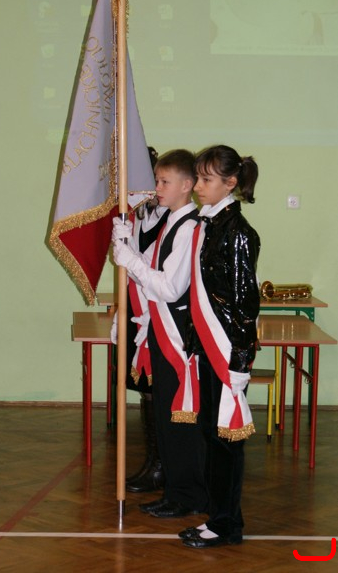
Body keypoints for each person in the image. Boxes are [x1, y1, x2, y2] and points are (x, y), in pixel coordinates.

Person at [113, 149, 208, 518]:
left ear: (186, 185)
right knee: (167, 419)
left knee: (181, 421)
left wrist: (131, 261)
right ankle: (174, 490)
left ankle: (188, 496)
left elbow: (169, 288)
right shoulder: (171, 223)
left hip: (179, 336)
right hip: (162, 332)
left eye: (164, 181)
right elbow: (149, 272)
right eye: (157, 180)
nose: (157, 188)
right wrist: (127, 246)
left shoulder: (189, 227)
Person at [179, 144, 260, 548]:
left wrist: (240, 361)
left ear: (230, 183)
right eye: (198, 177)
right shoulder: (208, 224)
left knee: (226, 441)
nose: (198, 186)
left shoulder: (238, 233)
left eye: (206, 179)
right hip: (209, 347)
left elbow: (245, 303)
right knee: (212, 435)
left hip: (226, 351)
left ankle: (227, 525)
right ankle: (218, 515)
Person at [111, 146, 170, 493]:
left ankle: (167, 465)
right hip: (139, 315)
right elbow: (129, 276)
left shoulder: (172, 218)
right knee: (148, 391)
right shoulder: (135, 217)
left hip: (164, 318)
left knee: (163, 392)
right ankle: (155, 462)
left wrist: (129, 256)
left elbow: (158, 274)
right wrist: (122, 313)